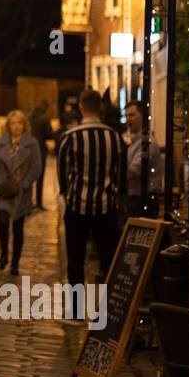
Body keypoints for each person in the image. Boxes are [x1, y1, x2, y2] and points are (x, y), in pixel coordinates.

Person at [57, 88, 125, 287]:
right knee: (108, 261)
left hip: (77, 205)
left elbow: (62, 173)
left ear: (81, 106)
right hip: (106, 207)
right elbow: (120, 175)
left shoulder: (70, 137)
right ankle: (106, 310)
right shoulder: (114, 137)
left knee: (76, 260)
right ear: (100, 107)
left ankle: (77, 311)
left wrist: (67, 194)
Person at [0, 110, 43, 275]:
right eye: (13, 123)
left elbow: (36, 167)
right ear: (8, 125)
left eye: (20, 123)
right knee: (3, 222)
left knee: (18, 227)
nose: (16, 127)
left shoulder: (31, 144)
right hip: (3, 190)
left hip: (21, 192)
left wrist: (24, 184)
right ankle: (3, 254)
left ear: (24, 125)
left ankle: (15, 262)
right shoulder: (0, 142)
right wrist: (1, 181)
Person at [124, 101, 164, 218]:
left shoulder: (147, 143)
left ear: (143, 116)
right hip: (132, 197)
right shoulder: (128, 139)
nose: (128, 119)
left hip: (144, 198)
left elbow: (133, 172)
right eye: (126, 115)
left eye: (132, 115)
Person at [28, 101, 53, 209]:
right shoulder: (44, 119)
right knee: (40, 178)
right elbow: (49, 135)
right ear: (45, 108)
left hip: (27, 151)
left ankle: (27, 203)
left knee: (28, 178)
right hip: (40, 151)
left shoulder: (27, 118)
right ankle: (38, 202)